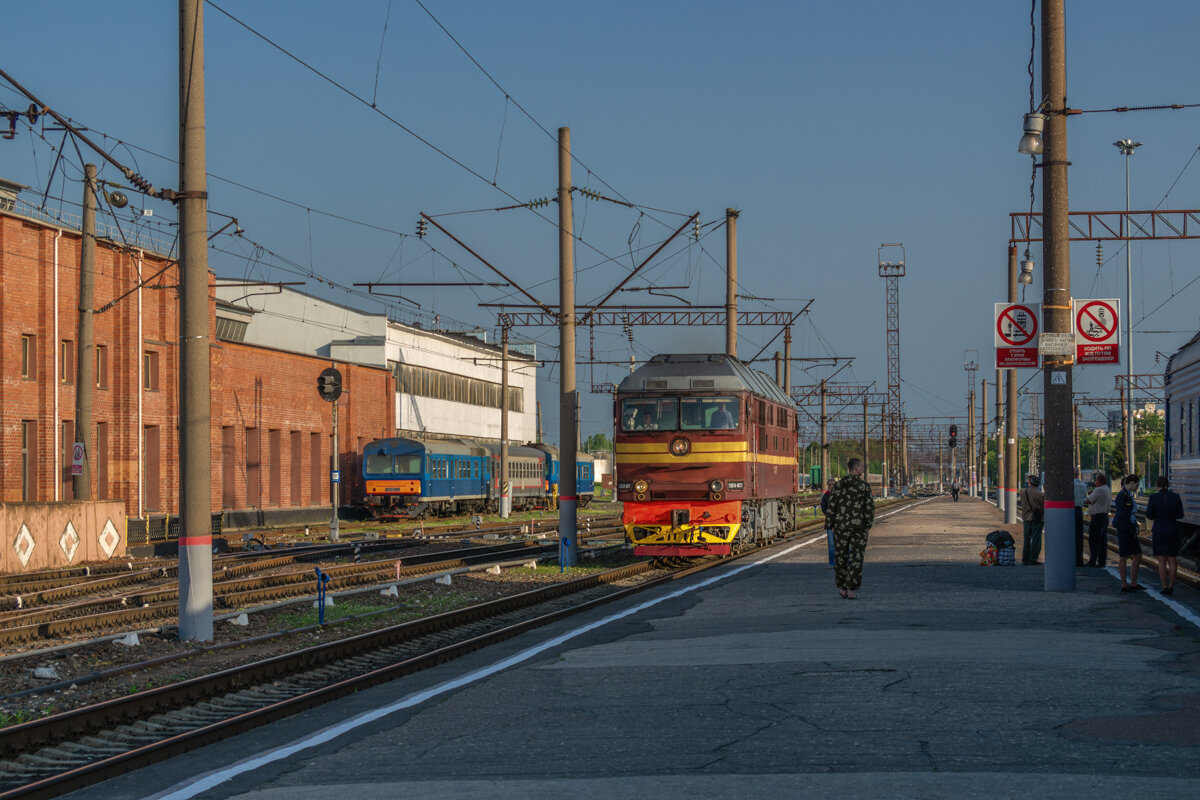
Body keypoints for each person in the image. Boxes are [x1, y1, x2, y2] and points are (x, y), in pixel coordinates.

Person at [828, 457, 875, 599]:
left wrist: (831, 525)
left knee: (840, 558)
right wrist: (867, 526)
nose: (862, 469)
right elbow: (869, 508)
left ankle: (842, 588)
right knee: (856, 558)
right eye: (861, 467)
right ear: (855, 468)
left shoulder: (838, 485)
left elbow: (831, 506)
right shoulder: (863, 486)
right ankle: (851, 590)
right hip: (858, 528)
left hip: (840, 527)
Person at [1147, 475, 1185, 596]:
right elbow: (1180, 514)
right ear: (1168, 485)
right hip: (1173, 530)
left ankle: (1164, 586)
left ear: (1157, 485)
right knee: (1172, 559)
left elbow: (1149, 515)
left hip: (1159, 531)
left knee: (1162, 560)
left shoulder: (1153, 497)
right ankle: (1171, 586)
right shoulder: (1175, 497)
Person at [1112, 474, 1144, 592]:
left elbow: (1130, 514)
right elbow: (1123, 515)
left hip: (1129, 527)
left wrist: (1134, 526)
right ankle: (1124, 585)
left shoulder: (1128, 494)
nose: (1137, 487)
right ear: (1132, 483)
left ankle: (1133, 583)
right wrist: (1132, 528)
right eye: (1137, 485)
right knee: (1124, 556)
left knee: (1137, 554)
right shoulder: (1122, 495)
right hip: (1124, 529)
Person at [1085, 472, 1112, 568]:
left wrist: (1089, 495)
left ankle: (1092, 561)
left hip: (1097, 517)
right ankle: (1102, 561)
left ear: (1099, 481)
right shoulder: (1107, 489)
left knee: (1094, 539)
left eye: (1096, 480)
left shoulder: (1099, 489)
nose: (1095, 482)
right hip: (1105, 516)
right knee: (1103, 540)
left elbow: (1089, 500)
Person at [1020, 474, 1045, 565]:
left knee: (1026, 539)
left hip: (1026, 518)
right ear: (1038, 484)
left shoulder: (1023, 492)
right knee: (1036, 539)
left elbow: (1021, 503)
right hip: (1037, 519)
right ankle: (1033, 559)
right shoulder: (1041, 494)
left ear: (1030, 482)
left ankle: (1025, 558)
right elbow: (1043, 507)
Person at [1073, 467, 1088, 567]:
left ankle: (1072, 558)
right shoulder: (1083, 485)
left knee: (1071, 535)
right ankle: (1079, 560)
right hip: (1079, 510)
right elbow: (1084, 498)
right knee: (1079, 536)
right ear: (1078, 474)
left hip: (1070, 511)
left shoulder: (1069, 485)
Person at [820, 478, 836, 567]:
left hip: (840, 524)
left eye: (833, 484)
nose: (831, 486)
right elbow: (823, 508)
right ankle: (831, 562)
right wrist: (830, 515)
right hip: (830, 524)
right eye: (829, 485)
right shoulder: (825, 496)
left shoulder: (840, 495)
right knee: (831, 545)